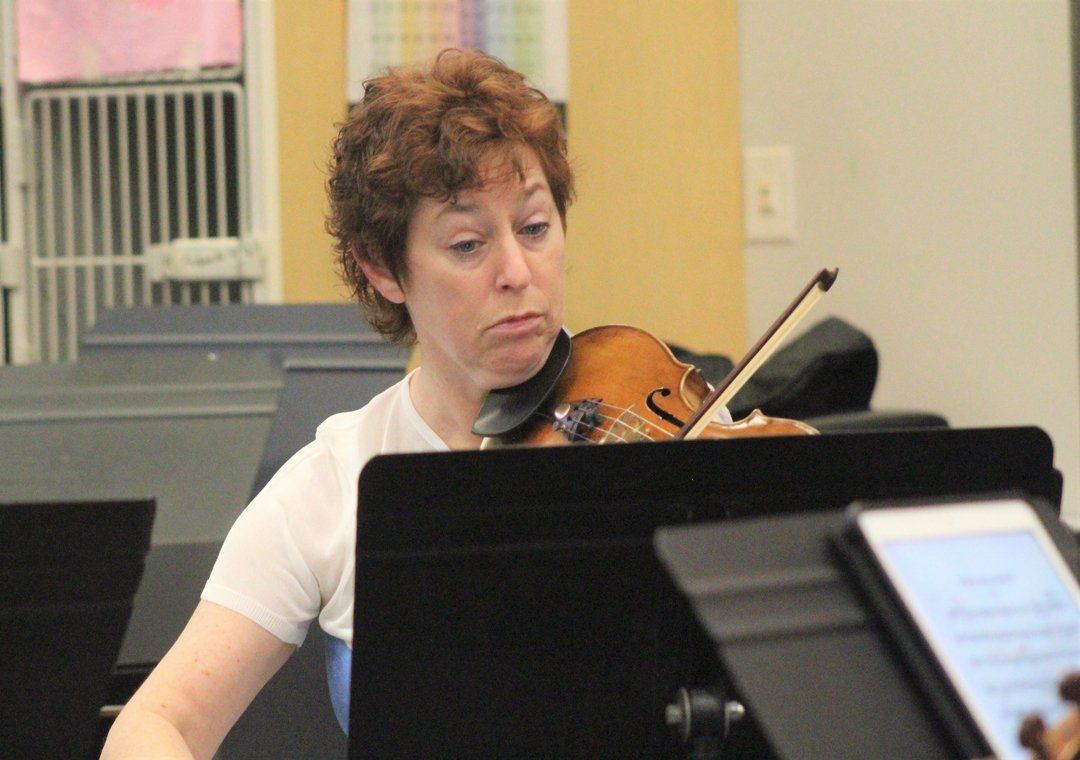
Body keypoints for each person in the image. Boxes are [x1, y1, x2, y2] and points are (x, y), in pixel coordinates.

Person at [101, 48, 574, 758]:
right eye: (469, 243)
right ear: (382, 269)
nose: (517, 272)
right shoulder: (334, 483)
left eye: (534, 228)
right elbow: (157, 723)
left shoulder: (655, 424)